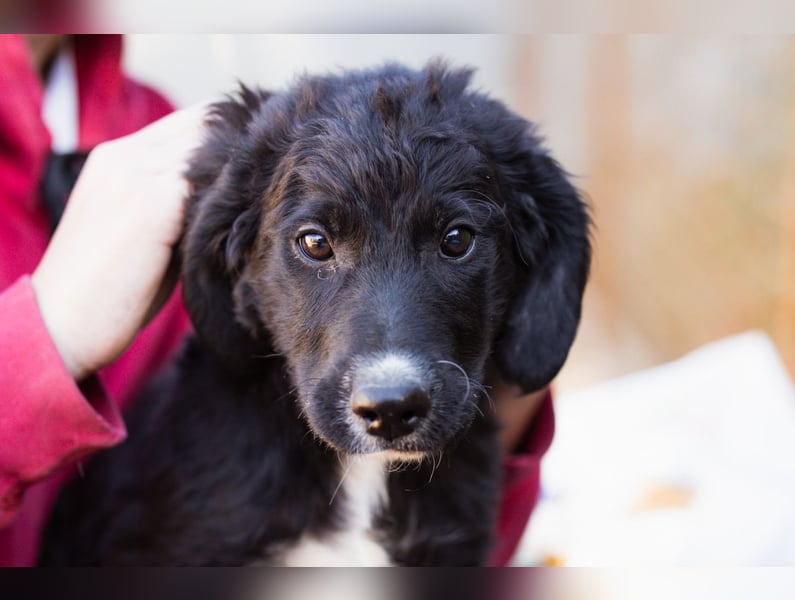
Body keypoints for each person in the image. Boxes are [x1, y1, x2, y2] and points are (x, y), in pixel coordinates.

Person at [0, 34, 553, 566]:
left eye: (456, 241)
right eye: (316, 244)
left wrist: (523, 371)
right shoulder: (179, 164)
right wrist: (49, 335)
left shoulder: (162, 139)